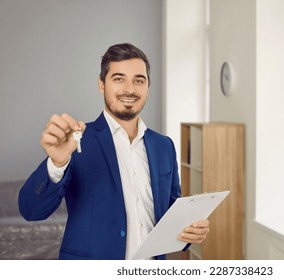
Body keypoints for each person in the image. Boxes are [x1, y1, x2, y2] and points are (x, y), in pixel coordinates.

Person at [18, 43, 209, 260]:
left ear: (148, 86)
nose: (130, 89)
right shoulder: (77, 140)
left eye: (139, 80)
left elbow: (168, 213)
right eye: (119, 79)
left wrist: (189, 231)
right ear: (102, 85)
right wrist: (57, 164)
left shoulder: (164, 146)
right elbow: (31, 211)